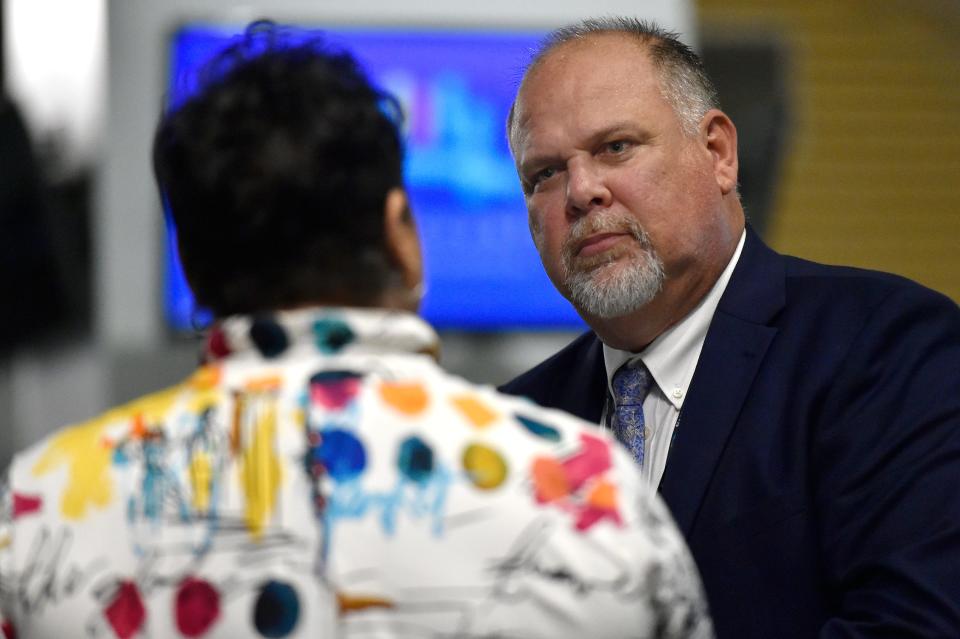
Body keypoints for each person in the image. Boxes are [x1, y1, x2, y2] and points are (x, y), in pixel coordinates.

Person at [0, 23, 713, 639]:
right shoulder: (586, 491)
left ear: (191, 260)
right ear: (403, 235)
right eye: (546, 174)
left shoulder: (40, 512)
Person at [501, 16, 960, 638]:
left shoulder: (886, 347)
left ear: (717, 153)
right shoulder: (515, 427)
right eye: (544, 175)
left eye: (616, 147)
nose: (581, 192)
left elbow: (914, 626)